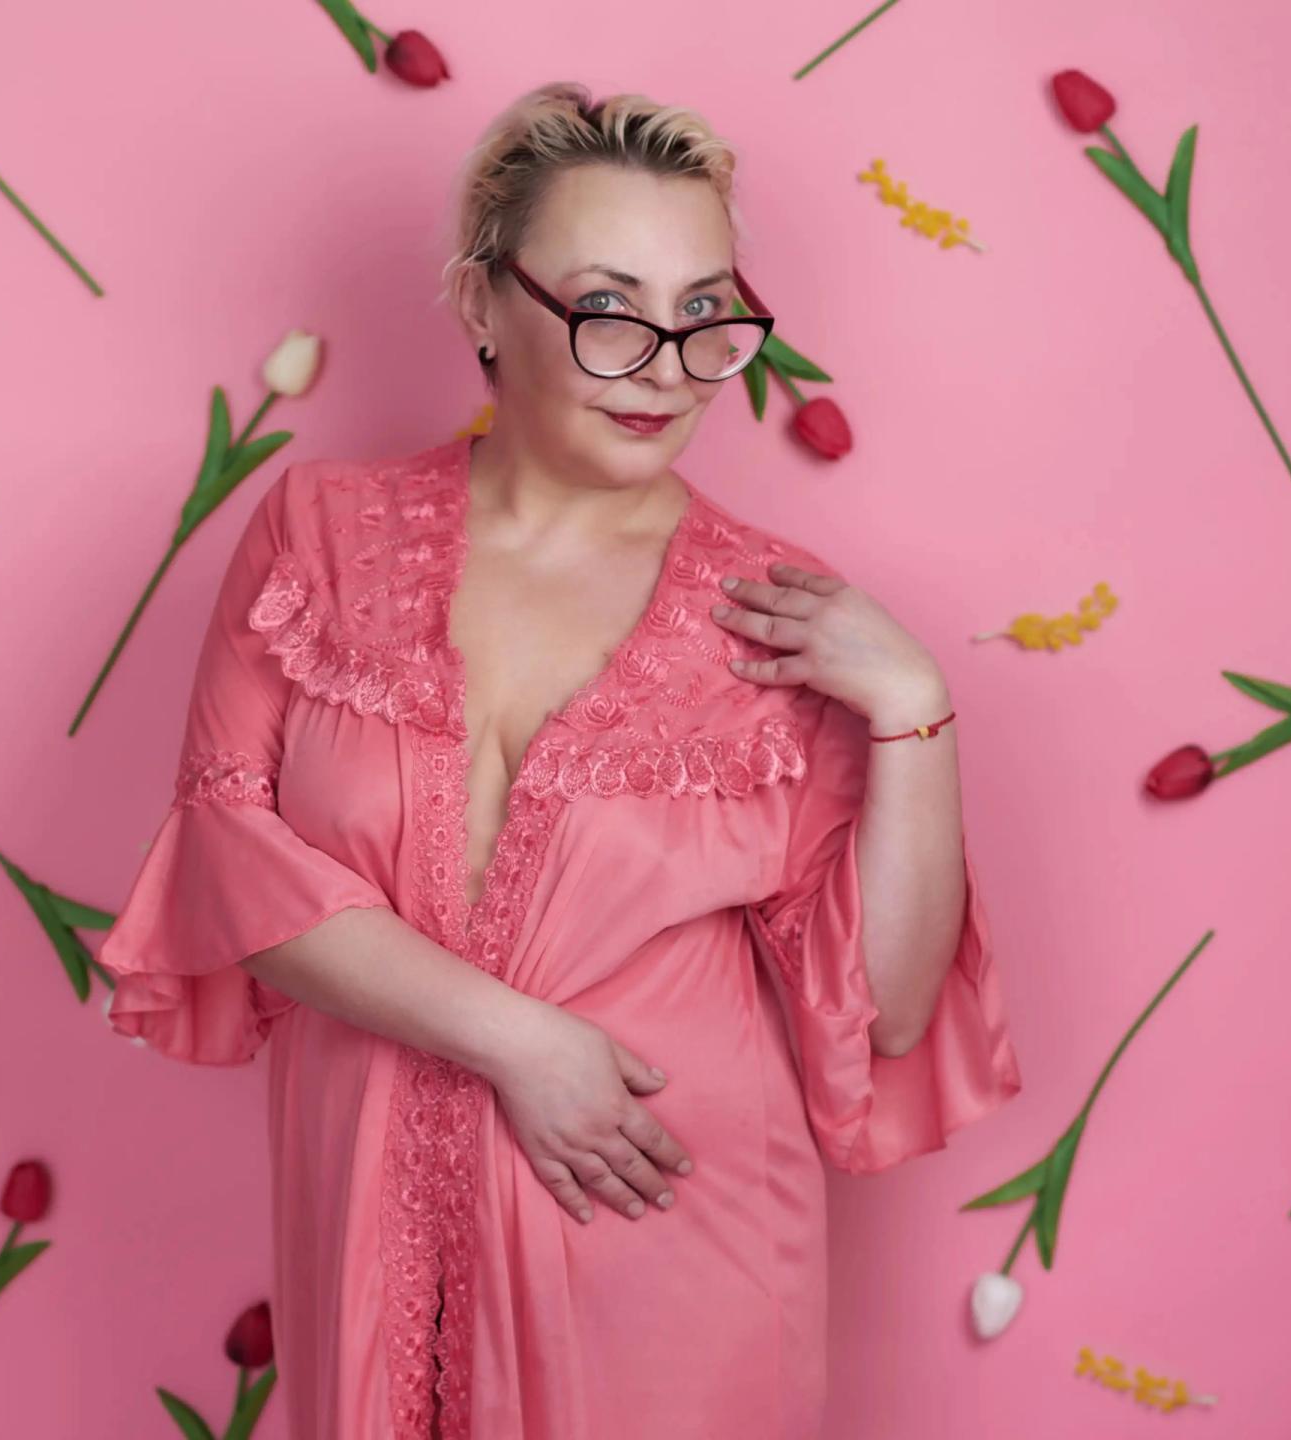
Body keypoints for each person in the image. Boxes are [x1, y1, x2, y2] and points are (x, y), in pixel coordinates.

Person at [98, 80, 1024, 1440]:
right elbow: (230, 858)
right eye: (609, 307)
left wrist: (913, 708)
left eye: (705, 313)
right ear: (484, 302)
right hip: (369, 1216)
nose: (665, 365)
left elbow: (883, 1010)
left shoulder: (780, 611)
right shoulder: (317, 532)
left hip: (672, 1231)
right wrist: (523, 1045)